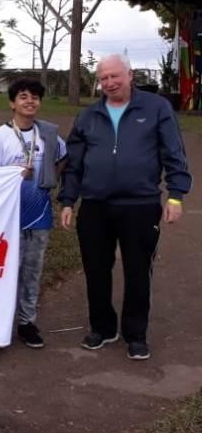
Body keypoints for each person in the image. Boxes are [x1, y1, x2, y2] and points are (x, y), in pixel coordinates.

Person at [59, 54, 190, 361]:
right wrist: (68, 201)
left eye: (115, 76)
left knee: (138, 270)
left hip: (140, 205)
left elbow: (173, 152)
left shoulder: (157, 108)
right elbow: (74, 164)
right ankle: (103, 328)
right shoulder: (88, 115)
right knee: (95, 269)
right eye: (103, 78)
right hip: (95, 206)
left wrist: (176, 195)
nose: (110, 83)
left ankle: (136, 334)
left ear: (130, 75)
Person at [0, 78, 66, 349]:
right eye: (23, 97)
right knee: (4, 272)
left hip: (39, 215)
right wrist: (14, 174)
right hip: (8, 219)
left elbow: (64, 157)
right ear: (12, 103)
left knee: (32, 271)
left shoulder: (48, 134)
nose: (30, 102)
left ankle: (27, 322)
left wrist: (50, 176)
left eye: (35, 97)